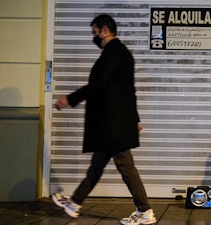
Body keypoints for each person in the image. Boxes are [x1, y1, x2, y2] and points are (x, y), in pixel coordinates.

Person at [51, 14, 156, 225]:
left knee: (125, 166)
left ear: (104, 29)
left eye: (94, 32)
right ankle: (74, 203)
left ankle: (145, 211)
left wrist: (69, 99)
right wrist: (135, 119)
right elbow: (129, 90)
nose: (94, 37)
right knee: (97, 165)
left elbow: (98, 84)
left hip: (113, 124)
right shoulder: (120, 53)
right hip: (114, 122)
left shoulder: (113, 53)